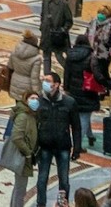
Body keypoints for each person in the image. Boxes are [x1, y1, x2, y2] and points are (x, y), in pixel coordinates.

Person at [33, 71, 76, 207]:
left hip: (63, 146)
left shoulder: (69, 102)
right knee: (42, 179)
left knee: (64, 180)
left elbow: (76, 127)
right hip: (44, 145)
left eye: (48, 80)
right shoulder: (39, 101)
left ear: (56, 84)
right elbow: (33, 125)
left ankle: (62, 204)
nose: (44, 82)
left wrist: (77, 148)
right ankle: (41, 204)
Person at [1, 90, 39, 207]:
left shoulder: (30, 114)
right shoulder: (23, 116)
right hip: (22, 156)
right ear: (26, 100)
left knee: (19, 187)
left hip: (24, 155)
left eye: (37, 99)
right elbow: (17, 137)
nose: (35, 101)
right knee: (21, 188)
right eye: (32, 98)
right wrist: (28, 153)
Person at [40, 0, 75, 73]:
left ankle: (70, 72)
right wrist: (42, 27)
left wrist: (62, 30)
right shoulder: (45, 1)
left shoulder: (63, 4)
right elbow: (42, 15)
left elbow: (69, 21)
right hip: (46, 34)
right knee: (46, 57)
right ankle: (47, 78)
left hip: (58, 36)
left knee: (59, 56)